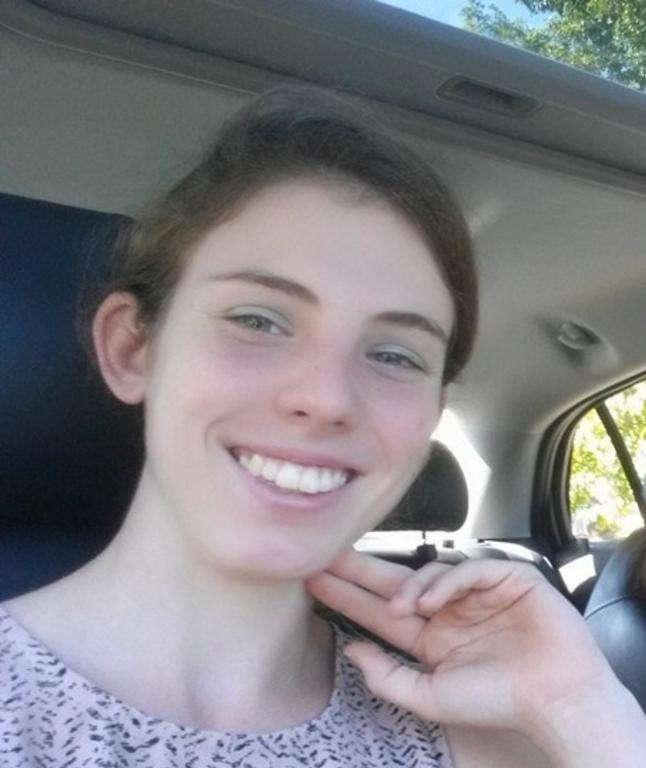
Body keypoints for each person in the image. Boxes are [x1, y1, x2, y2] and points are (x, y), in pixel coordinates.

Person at [1, 86, 644, 768]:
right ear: (134, 348)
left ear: (430, 415)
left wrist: (580, 709)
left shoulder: (482, 729)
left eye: (395, 355)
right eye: (258, 320)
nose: (326, 397)